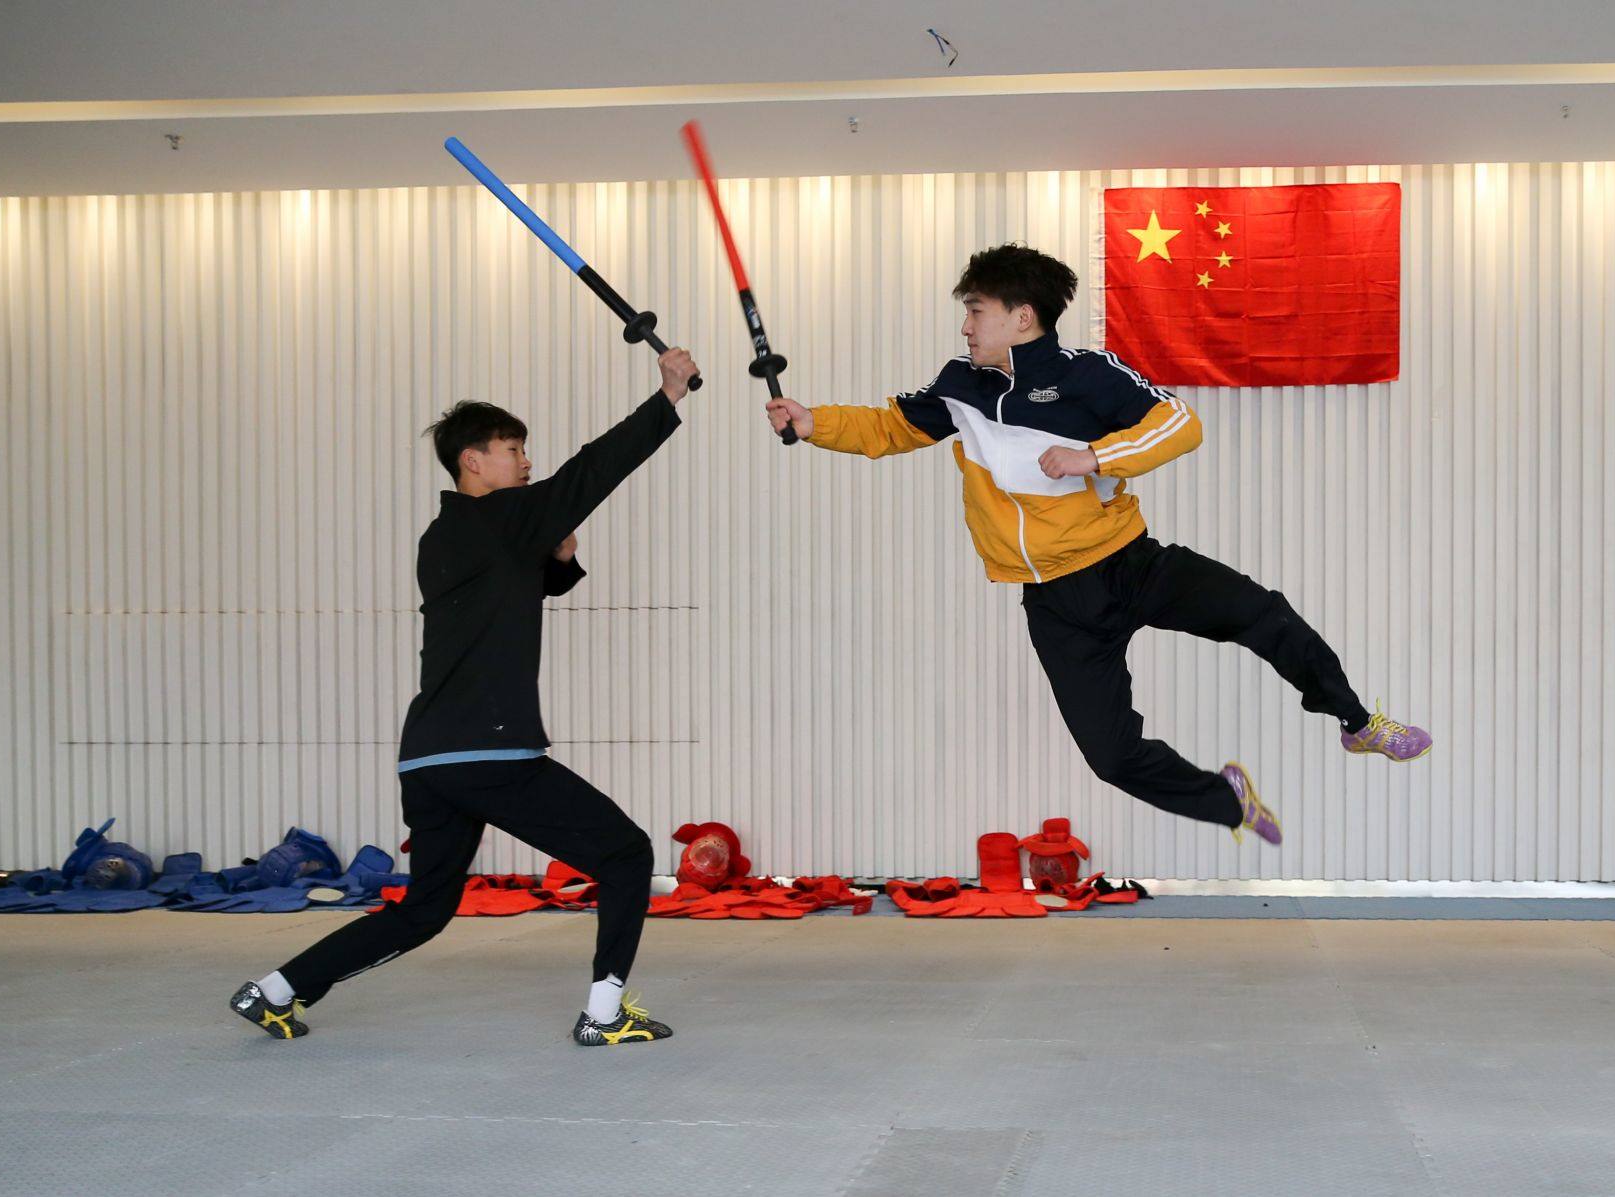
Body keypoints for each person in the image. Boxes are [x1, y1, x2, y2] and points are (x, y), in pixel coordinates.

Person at [765, 245, 1429, 845]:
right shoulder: (960, 385)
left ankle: (1357, 722)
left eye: (976, 310)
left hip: (1128, 565)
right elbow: (888, 427)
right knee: (1111, 758)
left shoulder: (1087, 375)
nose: (965, 326)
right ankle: (1227, 800)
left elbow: (1180, 423)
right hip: (1055, 603)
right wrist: (813, 421)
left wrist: (1094, 456)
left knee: (1265, 614)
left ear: (1022, 317)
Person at [231, 348, 699, 1045]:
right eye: (513, 450)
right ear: (472, 461)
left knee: (425, 909)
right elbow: (593, 469)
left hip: (429, 757)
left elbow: (508, 590)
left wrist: (560, 560)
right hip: (491, 749)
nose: (527, 462)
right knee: (626, 854)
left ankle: (273, 990)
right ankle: (604, 1015)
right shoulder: (505, 518)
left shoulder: (444, 536)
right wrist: (668, 396)